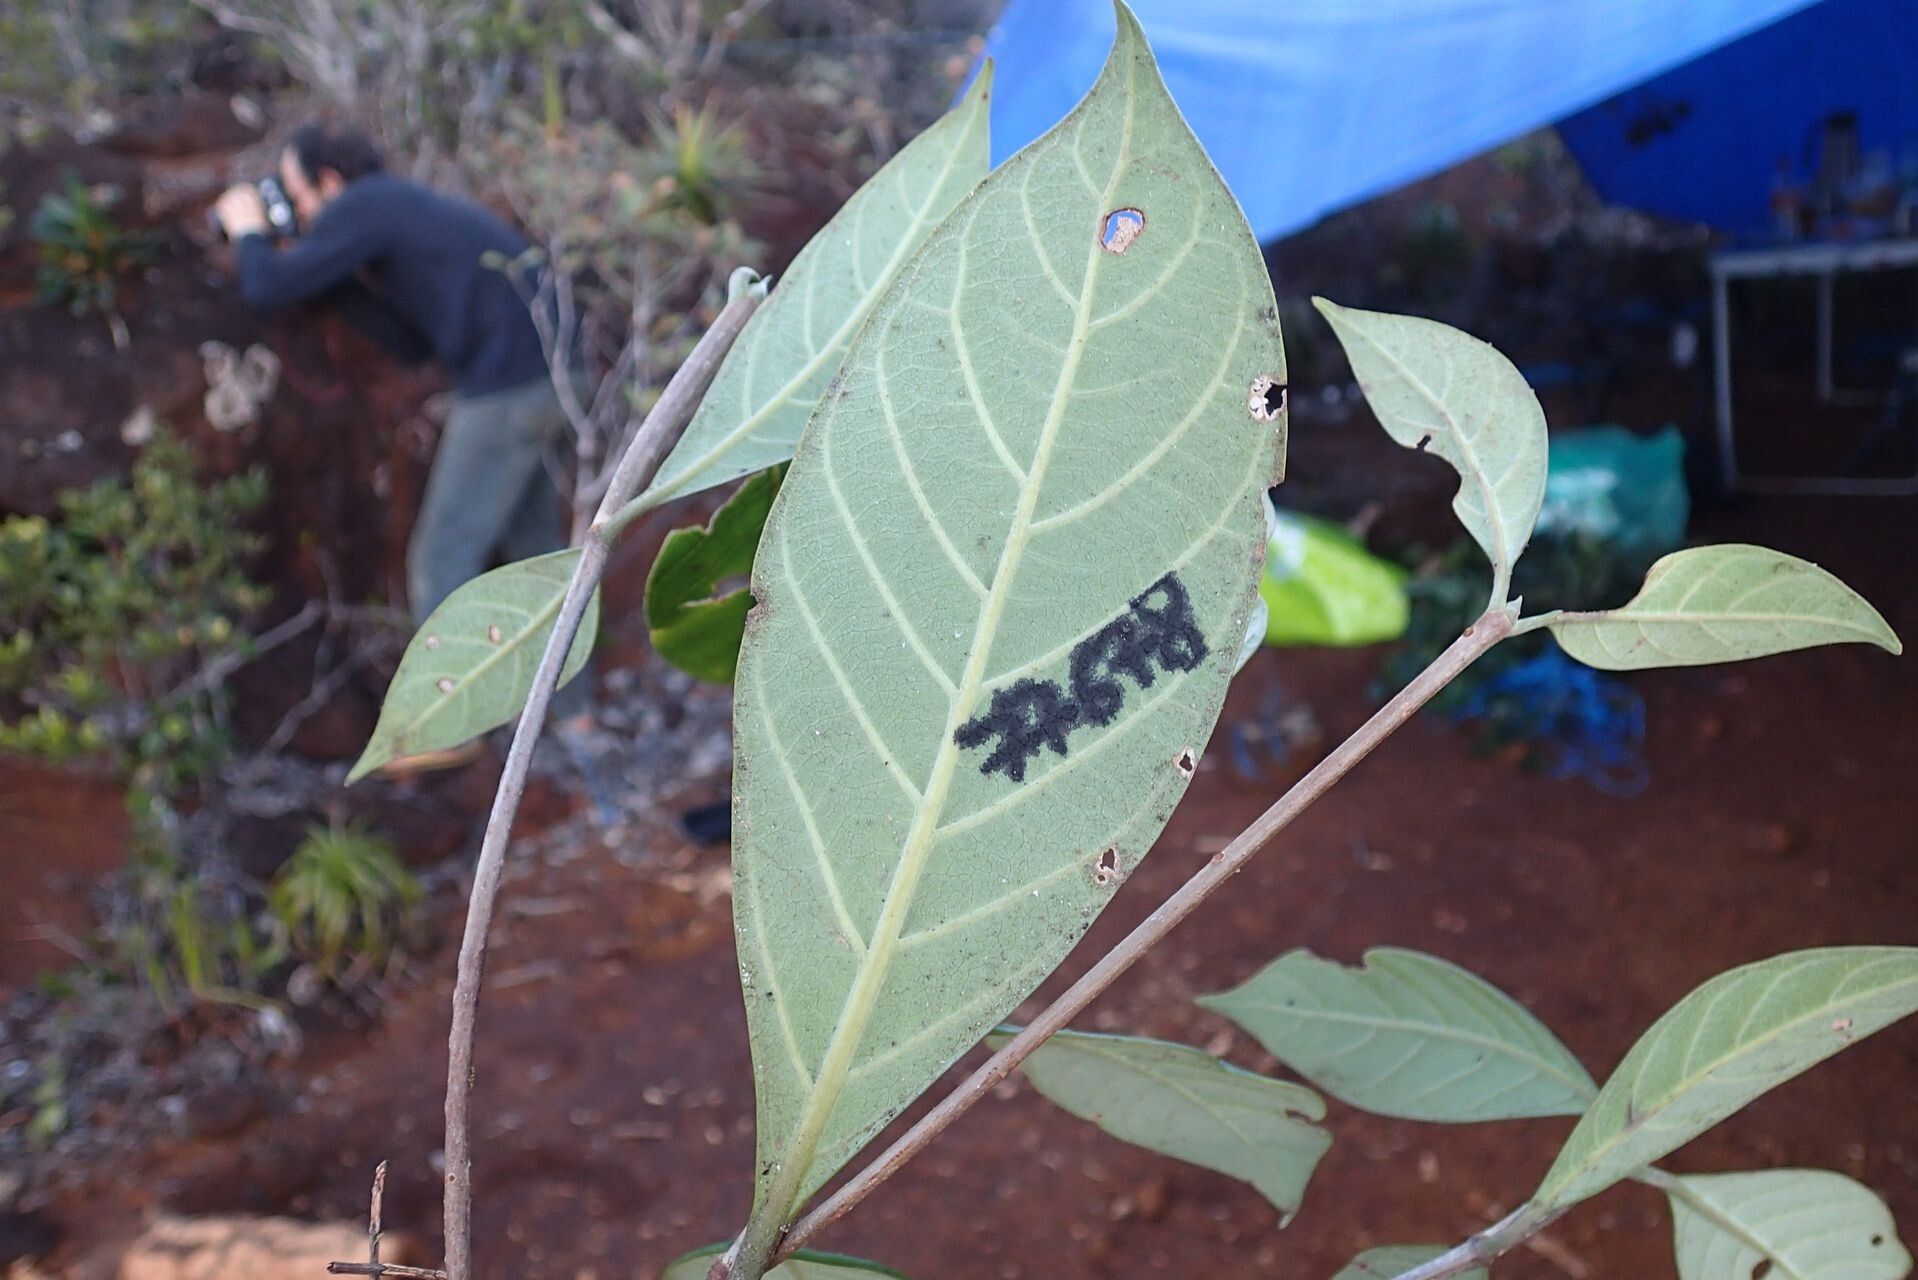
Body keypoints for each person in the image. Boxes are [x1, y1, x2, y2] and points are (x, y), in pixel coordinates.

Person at [214, 122, 591, 766]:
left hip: (507, 394)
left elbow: (265, 287)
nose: (298, 211)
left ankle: (445, 730)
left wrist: (248, 228)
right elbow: (413, 343)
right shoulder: (397, 210)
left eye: (299, 196)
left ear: (330, 182)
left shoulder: (366, 204)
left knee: (441, 558)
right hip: (550, 381)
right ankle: (576, 717)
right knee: (537, 554)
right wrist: (327, 277)